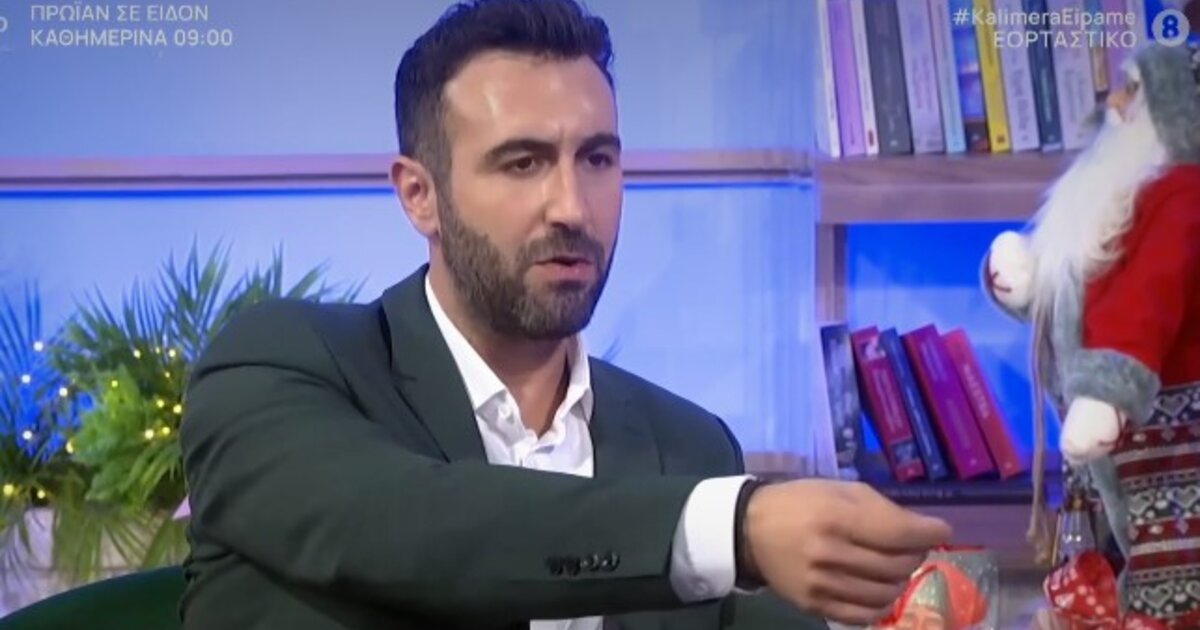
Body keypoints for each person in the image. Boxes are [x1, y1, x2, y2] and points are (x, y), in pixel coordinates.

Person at [178, 1, 952, 628]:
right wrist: (731, 527)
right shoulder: (279, 367)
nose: (573, 207)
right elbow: (411, 527)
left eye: (597, 159)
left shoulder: (689, 446)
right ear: (419, 195)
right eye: (523, 163)